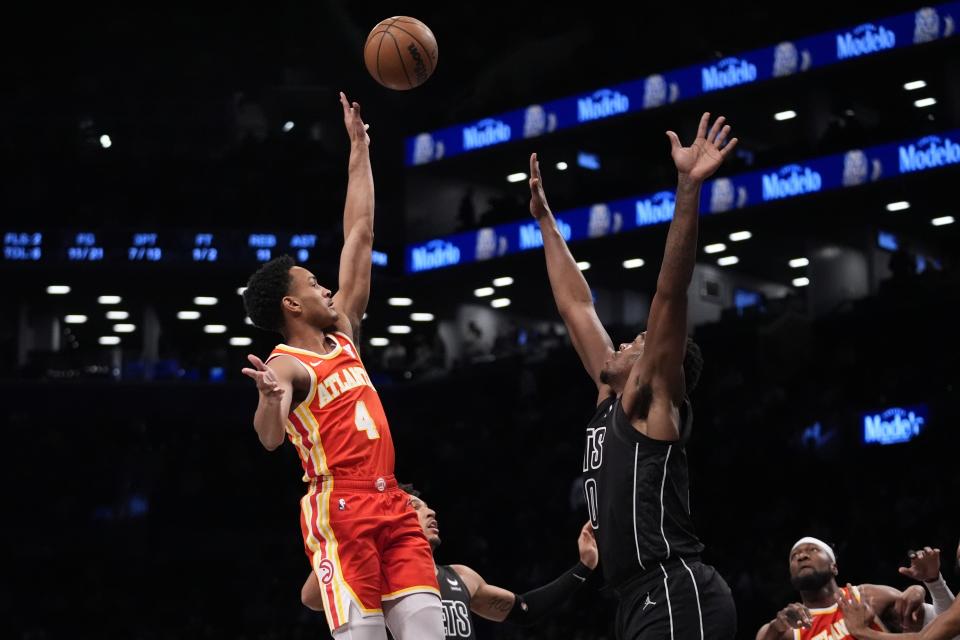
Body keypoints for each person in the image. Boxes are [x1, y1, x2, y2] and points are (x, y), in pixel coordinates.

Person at [529, 112, 738, 639]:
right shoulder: (612, 395)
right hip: (634, 597)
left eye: (637, 343)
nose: (624, 342)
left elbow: (671, 291)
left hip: (675, 586)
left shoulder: (650, 399)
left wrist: (687, 189)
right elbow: (577, 305)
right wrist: (546, 224)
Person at [241, 93, 442, 640]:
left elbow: (360, 233)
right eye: (312, 284)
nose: (326, 287)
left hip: (393, 499)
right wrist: (267, 401)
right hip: (340, 506)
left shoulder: (343, 333)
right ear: (291, 304)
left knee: (430, 630)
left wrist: (359, 149)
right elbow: (267, 439)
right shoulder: (286, 366)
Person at [302, 485, 599, 639]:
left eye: (429, 507)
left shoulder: (461, 576)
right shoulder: (375, 577)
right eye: (416, 508)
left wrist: (583, 567)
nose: (431, 513)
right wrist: (353, 531)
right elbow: (313, 598)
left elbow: (524, 610)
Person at [757, 537, 928, 640]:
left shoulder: (868, 596)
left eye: (813, 550)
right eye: (794, 556)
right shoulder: (785, 629)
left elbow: (931, 630)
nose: (801, 556)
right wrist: (774, 631)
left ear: (834, 567)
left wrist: (918, 591)